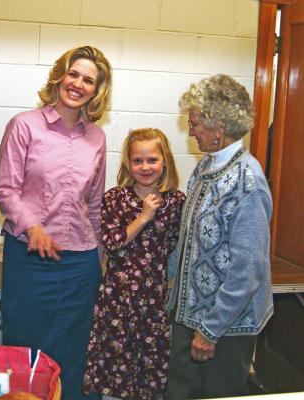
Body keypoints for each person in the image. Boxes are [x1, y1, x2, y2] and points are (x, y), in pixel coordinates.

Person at [0, 45, 112, 400]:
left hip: (79, 263)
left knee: (74, 349)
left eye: (88, 80)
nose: (78, 84)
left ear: (96, 90)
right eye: (73, 74)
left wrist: (101, 256)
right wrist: (34, 228)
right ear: (60, 76)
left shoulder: (97, 138)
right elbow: (6, 190)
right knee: (27, 348)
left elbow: (93, 203)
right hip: (30, 258)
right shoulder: (24, 126)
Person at [167, 74, 274, 399]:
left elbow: (247, 271)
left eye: (196, 123)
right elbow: (188, 240)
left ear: (219, 130)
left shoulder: (248, 183)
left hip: (224, 328)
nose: (191, 130)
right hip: (188, 318)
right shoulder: (205, 168)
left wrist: (210, 331)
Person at [83, 128, 186, 399]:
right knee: (114, 371)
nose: (145, 167)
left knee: (149, 374)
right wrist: (143, 217)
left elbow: (177, 247)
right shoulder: (116, 198)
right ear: (128, 163)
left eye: (152, 159)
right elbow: (112, 242)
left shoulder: (176, 201)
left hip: (154, 302)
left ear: (165, 161)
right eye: (137, 160)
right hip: (117, 300)